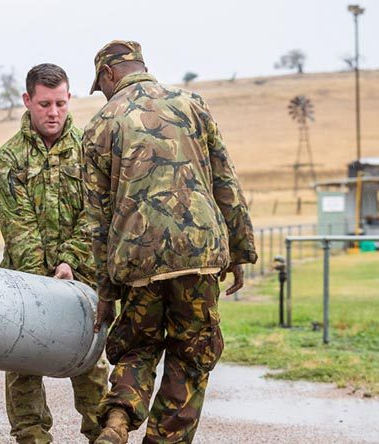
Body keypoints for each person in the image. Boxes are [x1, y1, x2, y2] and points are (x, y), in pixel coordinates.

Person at [82, 41, 258, 444]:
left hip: (139, 261)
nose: (104, 91)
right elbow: (225, 180)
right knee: (192, 356)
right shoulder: (192, 104)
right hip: (200, 254)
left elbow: (98, 218)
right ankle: (166, 440)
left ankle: (118, 419)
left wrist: (106, 291)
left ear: (109, 74)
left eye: (102, 83)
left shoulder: (99, 125)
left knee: (137, 346)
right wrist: (240, 252)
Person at [0, 63, 109, 444]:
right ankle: (32, 438)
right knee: (23, 366)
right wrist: (44, 282)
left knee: (90, 368)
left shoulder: (91, 152)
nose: (53, 112)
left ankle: (102, 435)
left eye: (60, 103)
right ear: (27, 101)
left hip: (80, 282)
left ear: (70, 99)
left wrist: (70, 262)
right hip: (26, 285)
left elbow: (96, 214)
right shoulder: (7, 160)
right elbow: (18, 229)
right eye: (44, 104)